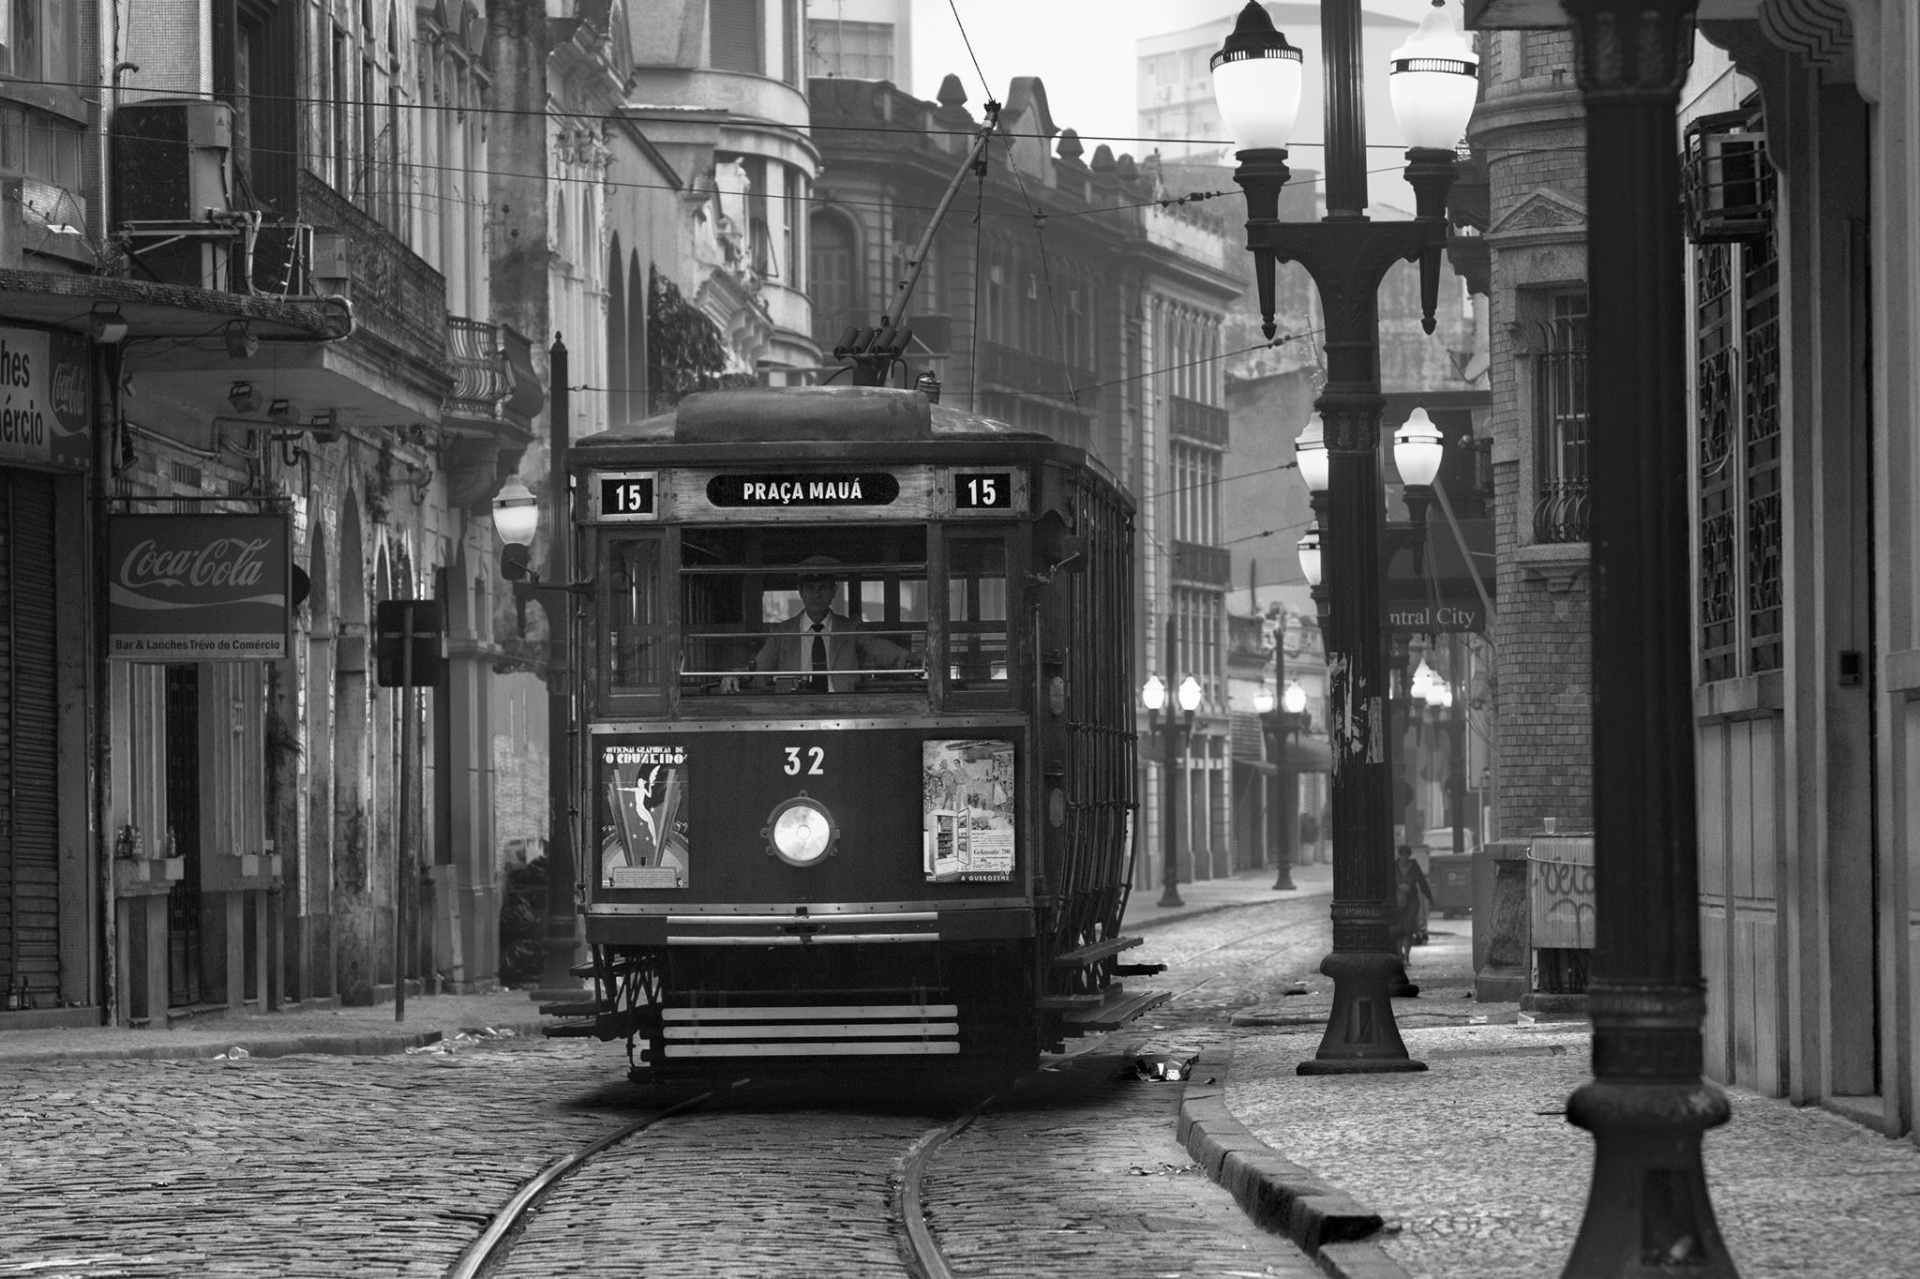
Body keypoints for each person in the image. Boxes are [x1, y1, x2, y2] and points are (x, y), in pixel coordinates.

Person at [719, 555, 909, 693]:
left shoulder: (850, 629)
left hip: (843, 711)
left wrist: (910, 658)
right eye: (810, 588)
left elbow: (878, 649)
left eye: (822, 588)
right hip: (793, 711)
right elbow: (760, 669)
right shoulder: (782, 633)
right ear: (800, 591)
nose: (816, 594)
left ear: (833, 591)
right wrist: (738, 674)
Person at [1392, 844, 1435, 963]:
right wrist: (1398, 886)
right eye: (1402, 856)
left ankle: (1406, 957)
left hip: (1412, 901)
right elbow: (1387, 883)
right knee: (1399, 929)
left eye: (1407, 856)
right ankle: (1400, 955)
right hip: (1397, 901)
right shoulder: (1394, 866)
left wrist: (1430, 898)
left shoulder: (1414, 866)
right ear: (1399, 855)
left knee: (1409, 928)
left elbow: (1422, 883)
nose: (1405, 858)